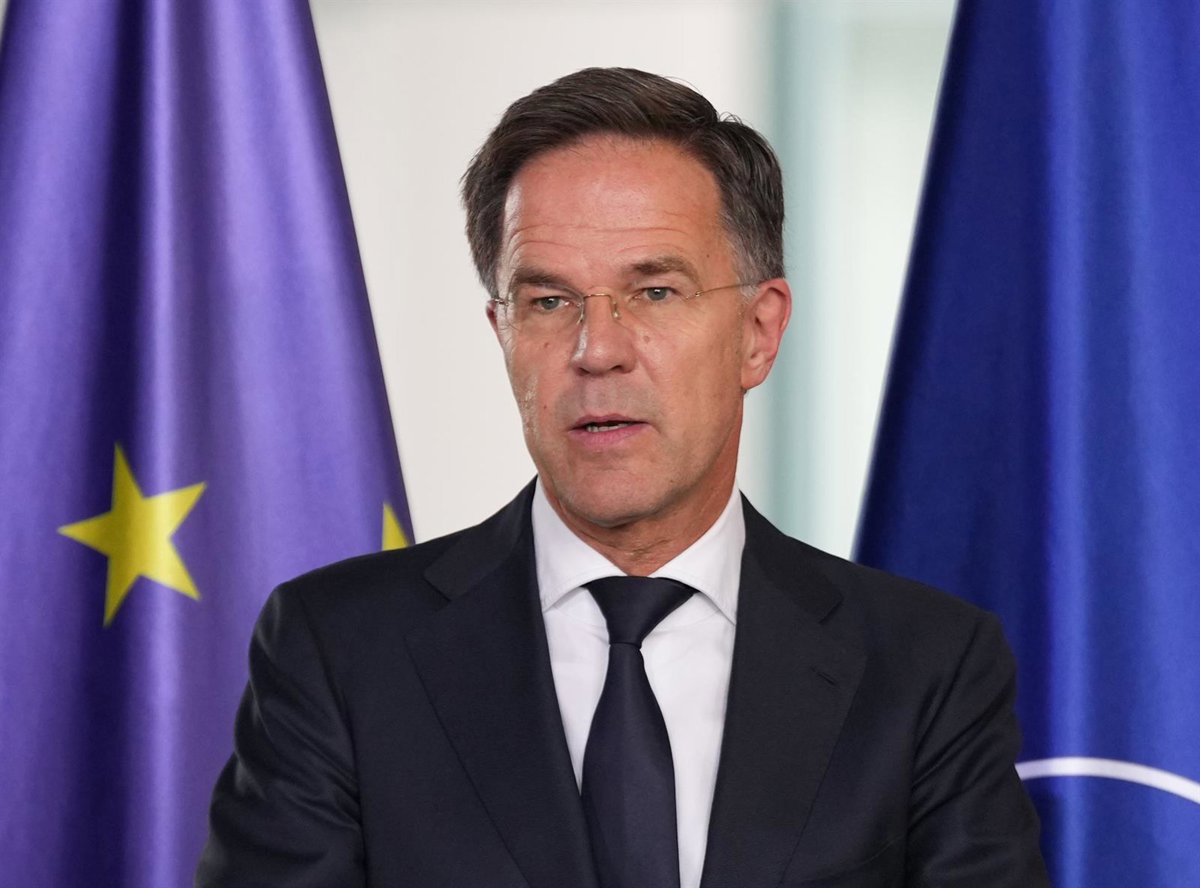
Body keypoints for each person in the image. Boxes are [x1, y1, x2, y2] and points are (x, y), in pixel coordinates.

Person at [197, 67, 1048, 887]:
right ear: (502, 333)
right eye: (548, 301)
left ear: (758, 332)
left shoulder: (926, 667)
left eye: (655, 292)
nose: (596, 350)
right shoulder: (338, 652)